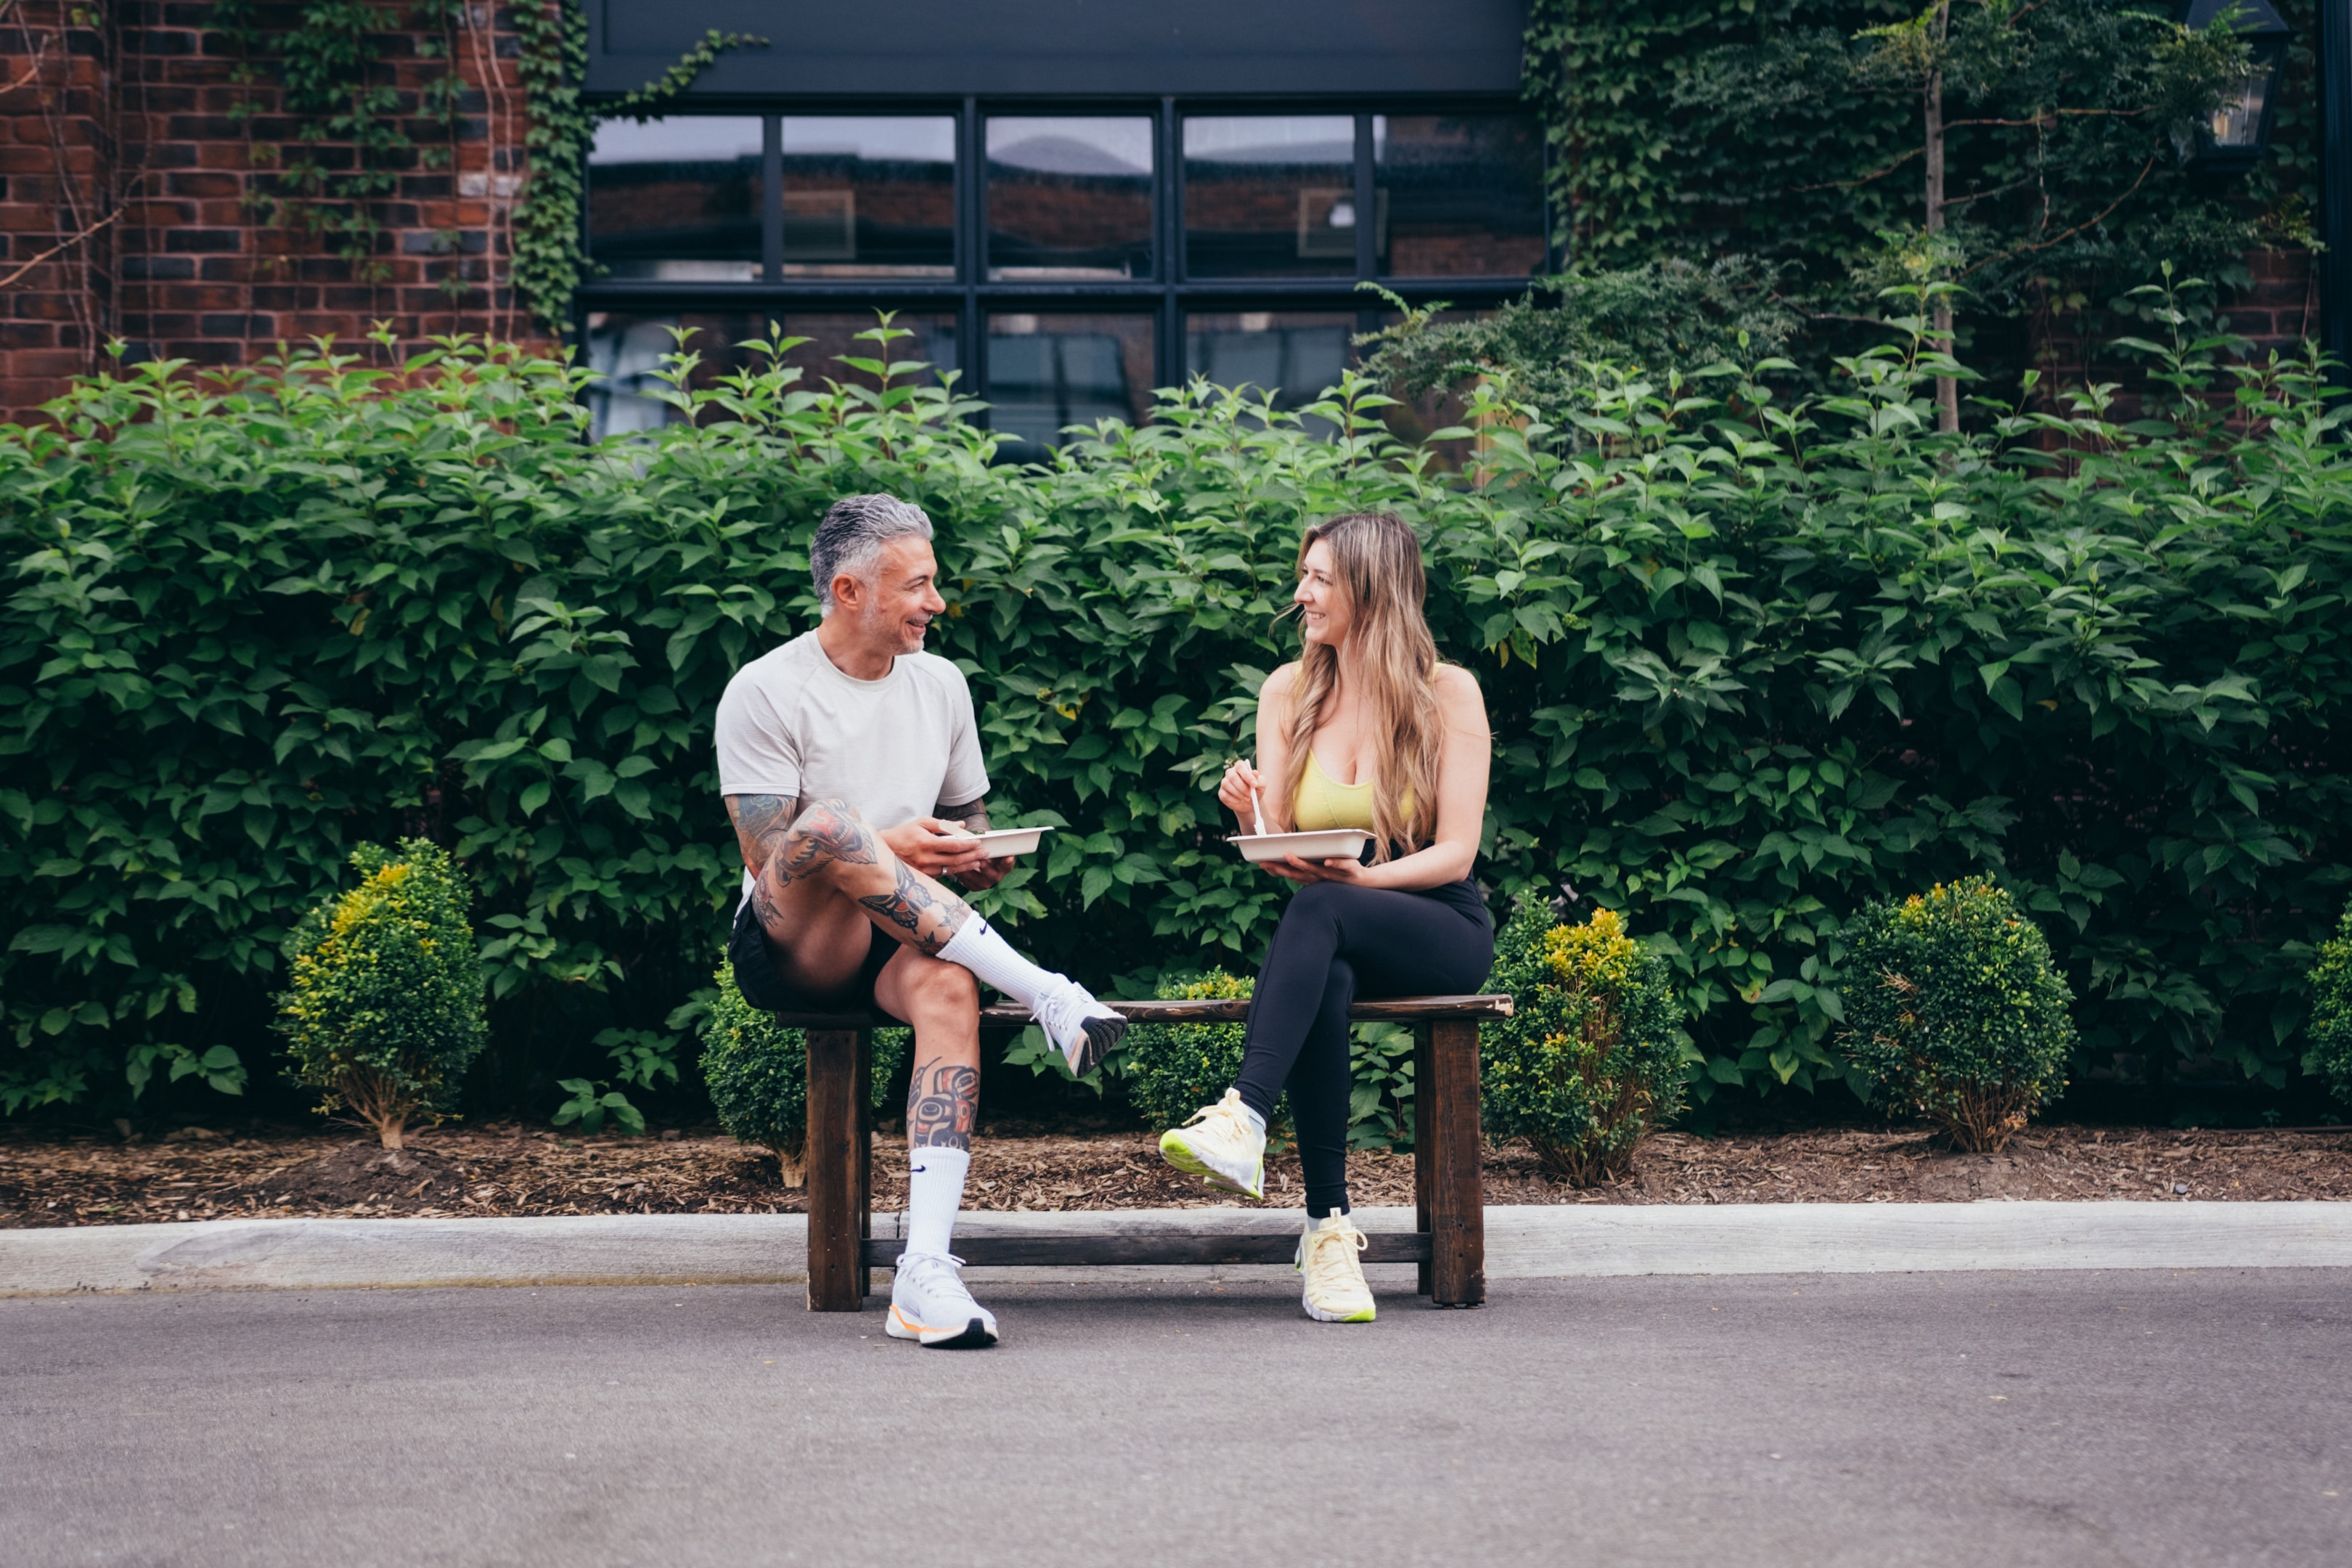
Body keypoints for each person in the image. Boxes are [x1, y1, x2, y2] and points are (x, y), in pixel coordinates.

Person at [716, 494, 1127, 1349]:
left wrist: (979, 853)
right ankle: (1051, 993)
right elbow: (768, 861)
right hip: (796, 942)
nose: (937, 604)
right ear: (849, 590)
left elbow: (965, 821)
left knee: (949, 989)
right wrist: (885, 842)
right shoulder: (765, 688)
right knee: (830, 824)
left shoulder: (942, 683)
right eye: (919, 586)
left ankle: (925, 1272)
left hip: (904, 935)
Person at [1157, 512, 1495, 1323]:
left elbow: (1456, 855)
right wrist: (1247, 816)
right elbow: (1279, 856)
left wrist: (1360, 881)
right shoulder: (1290, 689)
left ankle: (1244, 1114)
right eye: (1303, 574)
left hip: (1438, 927)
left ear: (1372, 591)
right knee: (1327, 969)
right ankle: (1330, 1234)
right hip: (1338, 921)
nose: (1301, 593)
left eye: (1320, 578)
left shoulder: (1447, 692)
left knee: (1324, 911)